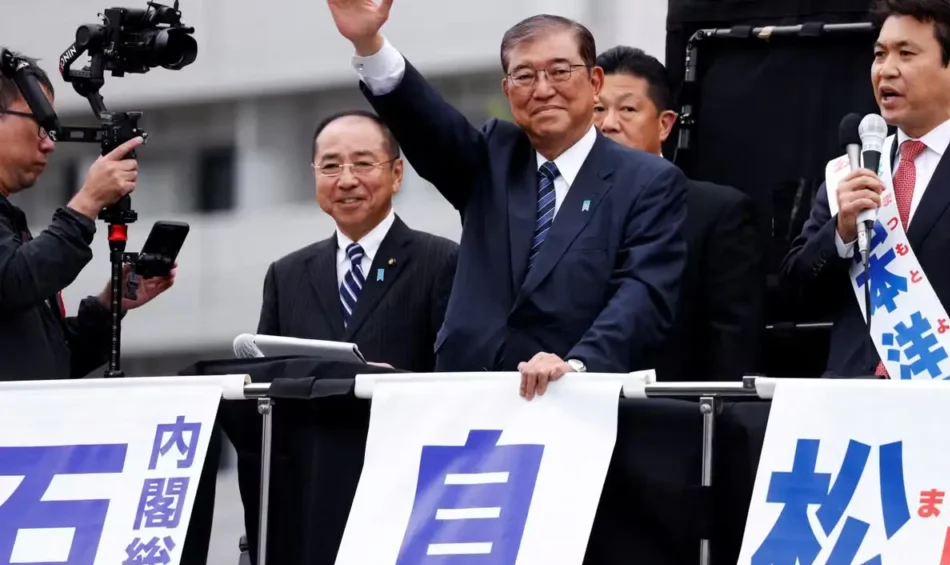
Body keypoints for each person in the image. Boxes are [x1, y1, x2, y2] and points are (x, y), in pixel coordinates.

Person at [326, 1, 688, 399]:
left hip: (573, 401)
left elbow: (642, 294)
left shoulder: (646, 181)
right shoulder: (492, 158)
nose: (544, 88)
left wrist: (578, 365)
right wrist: (369, 43)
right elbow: (427, 124)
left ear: (595, 81)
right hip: (466, 398)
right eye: (525, 75)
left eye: (560, 71)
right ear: (507, 89)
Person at [779, 0, 950, 379]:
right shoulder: (852, 168)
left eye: (906, 54)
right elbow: (796, 293)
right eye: (880, 54)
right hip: (849, 405)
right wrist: (841, 232)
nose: (886, 70)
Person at [0, 50, 174, 381]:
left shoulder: (10, 219)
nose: (49, 144)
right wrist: (88, 201)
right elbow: (14, 281)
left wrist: (109, 306)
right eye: (40, 124)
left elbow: (52, 361)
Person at [595, 46, 762, 381]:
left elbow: (733, 349)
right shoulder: (560, 209)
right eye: (596, 110)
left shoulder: (718, 213)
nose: (608, 124)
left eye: (627, 109)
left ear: (664, 125)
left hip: (674, 416)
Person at [258, 110, 458, 372]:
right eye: (330, 166)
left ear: (397, 174)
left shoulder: (441, 261)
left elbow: (456, 374)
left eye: (363, 164)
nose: (347, 180)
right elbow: (265, 378)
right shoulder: (285, 277)